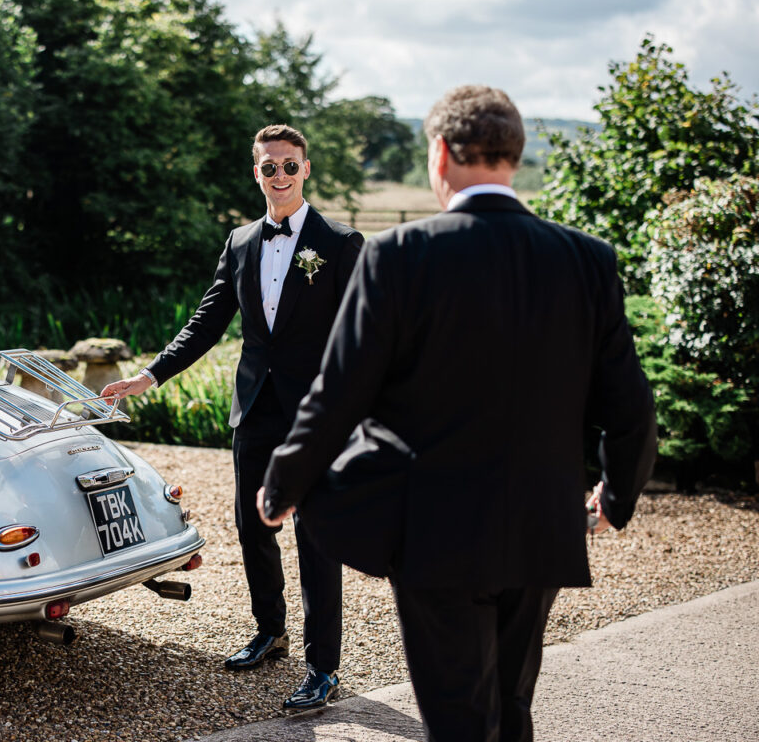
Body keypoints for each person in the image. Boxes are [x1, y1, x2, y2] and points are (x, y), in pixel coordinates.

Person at [258, 86, 657, 741]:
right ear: (514, 156)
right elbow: (631, 406)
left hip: (435, 528)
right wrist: (616, 495)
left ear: (440, 154)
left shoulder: (401, 255)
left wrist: (283, 484)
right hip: (541, 522)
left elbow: (339, 391)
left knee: (458, 720)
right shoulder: (586, 259)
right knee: (511, 707)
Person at [101, 124, 363, 710]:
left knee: (314, 535)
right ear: (256, 173)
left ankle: (324, 667)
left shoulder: (341, 243)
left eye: (289, 166)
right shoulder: (242, 240)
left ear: (306, 168)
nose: (279, 176)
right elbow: (207, 321)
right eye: (269, 167)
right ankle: (270, 632)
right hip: (255, 408)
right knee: (253, 526)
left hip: (315, 413)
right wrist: (151, 375)